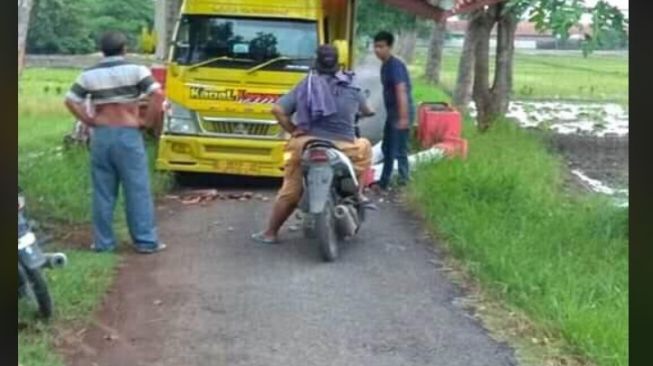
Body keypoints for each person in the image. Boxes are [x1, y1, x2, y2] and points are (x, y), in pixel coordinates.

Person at [251, 45, 374, 244]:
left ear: (316, 62)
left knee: (291, 189)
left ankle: (270, 233)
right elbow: (368, 110)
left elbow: (277, 110)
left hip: (307, 144)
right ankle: (358, 194)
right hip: (344, 147)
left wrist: (293, 130)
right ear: (338, 63)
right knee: (365, 146)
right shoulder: (352, 87)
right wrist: (365, 112)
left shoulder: (305, 85)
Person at [64, 31, 166, 254]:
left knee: (103, 192)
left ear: (102, 50)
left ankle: (103, 243)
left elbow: (70, 100)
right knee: (137, 189)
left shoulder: (88, 75)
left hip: (101, 135)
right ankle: (145, 241)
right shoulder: (137, 71)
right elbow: (158, 96)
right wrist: (147, 121)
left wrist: (88, 119)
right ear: (124, 49)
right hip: (128, 133)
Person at [373, 30, 415, 191]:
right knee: (387, 148)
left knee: (399, 149)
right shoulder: (385, 65)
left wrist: (404, 118)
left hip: (401, 114)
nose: (377, 50)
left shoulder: (395, 66)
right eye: (375, 46)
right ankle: (384, 182)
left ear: (390, 47)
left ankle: (404, 182)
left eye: (381, 46)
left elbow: (401, 90)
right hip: (393, 114)